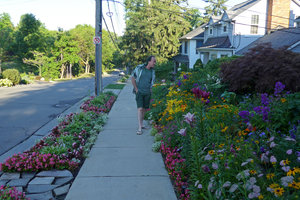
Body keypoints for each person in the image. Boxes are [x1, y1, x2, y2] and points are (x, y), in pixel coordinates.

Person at [131, 55, 156, 135]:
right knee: (140, 109)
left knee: (145, 109)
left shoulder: (152, 71)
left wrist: (151, 91)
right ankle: (139, 127)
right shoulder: (139, 68)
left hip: (147, 93)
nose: (154, 63)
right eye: (154, 61)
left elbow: (151, 82)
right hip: (140, 92)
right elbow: (132, 78)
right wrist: (136, 89)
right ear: (149, 61)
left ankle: (141, 124)